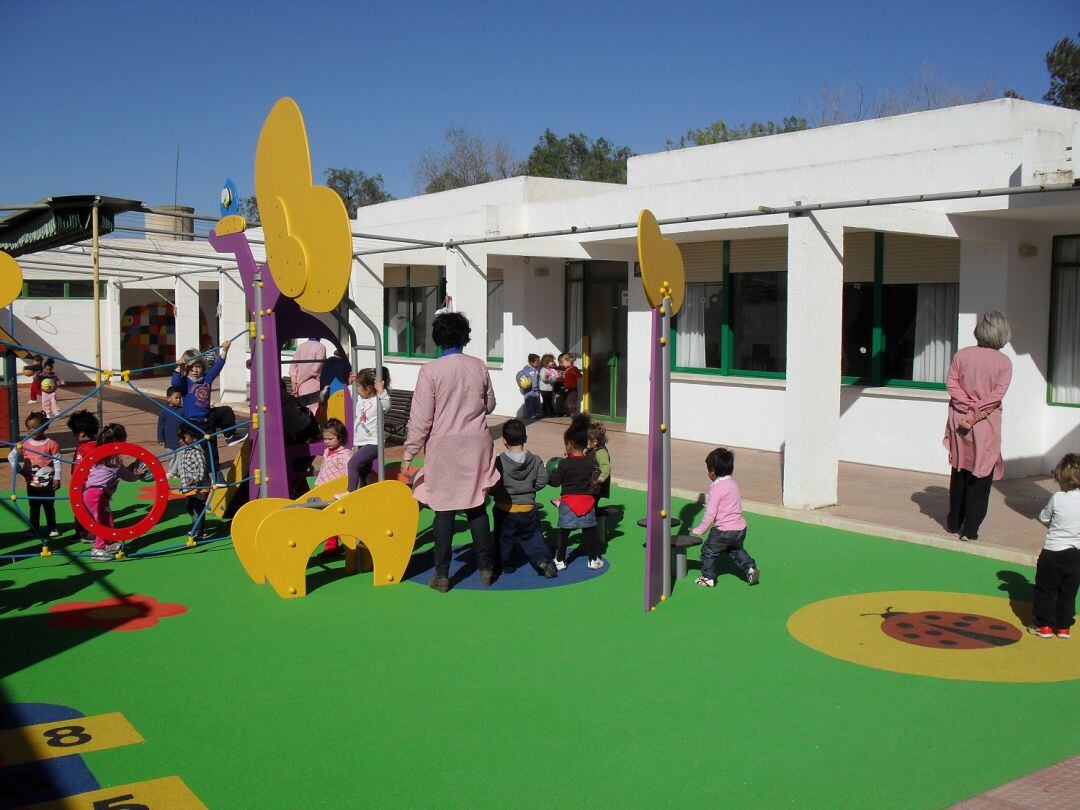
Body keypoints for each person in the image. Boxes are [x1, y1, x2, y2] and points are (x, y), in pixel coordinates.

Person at [402, 312, 499, 593]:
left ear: (437, 338)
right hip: (476, 443)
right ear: (464, 336)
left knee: (443, 511)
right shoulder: (479, 366)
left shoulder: (430, 371)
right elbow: (490, 404)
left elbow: (421, 419)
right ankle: (486, 569)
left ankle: (442, 575)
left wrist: (409, 454)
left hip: (444, 446)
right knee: (477, 506)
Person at [943, 311, 1013, 541]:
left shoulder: (962, 355)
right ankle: (970, 529)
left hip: (960, 420)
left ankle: (954, 522)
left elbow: (952, 383)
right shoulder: (1004, 362)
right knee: (981, 474)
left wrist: (966, 406)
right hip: (985, 423)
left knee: (960, 469)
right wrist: (975, 412)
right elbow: (996, 396)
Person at [490, 419, 557, 578]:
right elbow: (543, 479)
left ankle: (505, 565)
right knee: (534, 537)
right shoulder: (535, 459)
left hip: (505, 509)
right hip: (528, 507)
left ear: (504, 441)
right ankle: (543, 561)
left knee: (503, 539)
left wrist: (498, 493)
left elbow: (493, 483)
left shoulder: (499, 462)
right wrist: (530, 489)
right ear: (525, 438)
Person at [691, 447, 760, 587]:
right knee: (735, 549)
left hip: (723, 531)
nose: (708, 472)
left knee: (708, 552)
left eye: (708, 469)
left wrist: (699, 529)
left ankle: (708, 577)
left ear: (713, 472)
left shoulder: (716, 488)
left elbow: (710, 513)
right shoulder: (733, 484)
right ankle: (750, 568)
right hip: (740, 529)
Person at [1031, 454, 1080, 639]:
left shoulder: (1058, 498)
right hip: (1076, 554)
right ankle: (1064, 627)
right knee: (1068, 591)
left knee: (1046, 589)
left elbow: (1044, 517)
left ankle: (1044, 625)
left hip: (1053, 553)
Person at [172, 340, 236, 477]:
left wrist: (225, 350)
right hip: (191, 423)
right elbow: (175, 384)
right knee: (195, 450)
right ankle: (195, 473)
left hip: (207, 420)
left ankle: (230, 436)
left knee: (212, 445)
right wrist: (179, 368)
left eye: (198, 366)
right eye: (191, 367)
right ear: (186, 369)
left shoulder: (207, 379)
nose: (194, 370)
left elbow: (218, 366)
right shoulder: (185, 382)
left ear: (203, 367)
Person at [549, 415, 603, 570]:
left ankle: (560, 560)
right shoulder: (591, 461)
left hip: (568, 502)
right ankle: (593, 559)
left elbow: (556, 482)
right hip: (587, 502)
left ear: (570, 445)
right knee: (589, 531)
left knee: (564, 533)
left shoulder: (565, 464)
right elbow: (595, 480)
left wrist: (548, 477)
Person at [84, 423, 141, 560]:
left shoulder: (103, 456)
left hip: (94, 493)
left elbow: (119, 471)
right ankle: (98, 549)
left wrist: (132, 467)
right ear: (116, 442)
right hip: (97, 495)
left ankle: (108, 542)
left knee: (107, 519)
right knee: (102, 522)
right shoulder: (113, 460)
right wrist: (137, 474)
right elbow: (127, 476)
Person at [9, 411, 61, 539]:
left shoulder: (51, 444)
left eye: (35, 427)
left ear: (45, 426)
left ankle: (52, 527)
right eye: (28, 428)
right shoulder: (25, 444)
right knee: (34, 507)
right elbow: (11, 457)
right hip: (32, 483)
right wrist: (19, 470)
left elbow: (57, 461)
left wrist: (57, 478)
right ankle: (34, 528)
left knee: (49, 506)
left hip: (48, 482)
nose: (31, 430)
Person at [346, 368, 391, 493]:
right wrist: (351, 383)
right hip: (362, 441)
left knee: (352, 464)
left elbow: (387, 405)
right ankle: (365, 492)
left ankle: (350, 492)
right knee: (363, 472)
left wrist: (381, 390)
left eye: (359, 387)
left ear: (368, 389)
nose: (357, 389)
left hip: (374, 442)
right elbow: (351, 393)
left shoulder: (377, 400)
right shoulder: (360, 400)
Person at [315, 418, 352, 556]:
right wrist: (317, 485)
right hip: (325, 489)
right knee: (327, 520)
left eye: (330, 438)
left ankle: (344, 546)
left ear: (340, 438)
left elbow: (350, 473)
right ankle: (331, 546)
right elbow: (324, 470)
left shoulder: (345, 454)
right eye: (324, 438)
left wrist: (348, 489)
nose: (326, 441)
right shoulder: (326, 452)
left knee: (339, 520)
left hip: (338, 493)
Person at [67, 409, 100, 543]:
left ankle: (92, 533)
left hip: (89, 485)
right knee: (78, 508)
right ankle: (80, 530)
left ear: (81, 433)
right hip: (79, 484)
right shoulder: (83, 445)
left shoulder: (92, 448)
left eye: (74, 432)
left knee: (90, 509)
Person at [176, 424, 211, 542]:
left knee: (197, 510)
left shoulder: (196, 451)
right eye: (179, 438)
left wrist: (195, 479)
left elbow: (202, 467)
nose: (181, 441)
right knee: (190, 508)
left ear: (194, 437)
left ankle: (197, 533)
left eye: (183, 438)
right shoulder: (186, 450)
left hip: (200, 487)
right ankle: (200, 528)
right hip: (191, 488)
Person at [291, 338, 327, 416]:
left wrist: (294, 383)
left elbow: (293, 366)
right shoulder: (320, 347)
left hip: (299, 389)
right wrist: (299, 382)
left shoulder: (300, 346)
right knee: (313, 416)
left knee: (301, 415)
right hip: (313, 386)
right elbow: (314, 370)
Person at [157, 386, 185, 478]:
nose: (178, 400)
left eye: (180, 398)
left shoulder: (182, 410)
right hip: (169, 440)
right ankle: (173, 471)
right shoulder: (164, 412)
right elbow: (160, 426)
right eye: (176, 398)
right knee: (171, 457)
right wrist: (160, 439)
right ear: (169, 398)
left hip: (181, 440)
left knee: (181, 457)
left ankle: (179, 472)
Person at [516, 354, 542, 420]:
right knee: (529, 402)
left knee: (537, 402)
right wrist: (519, 380)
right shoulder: (526, 369)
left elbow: (538, 378)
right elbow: (519, 374)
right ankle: (530, 414)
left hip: (536, 389)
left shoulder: (536, 369)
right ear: (531, 362)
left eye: (539, 362)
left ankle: (537, 413)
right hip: (529, 389)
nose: (538, 363)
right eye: (537, 362)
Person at [538, 353, 560, 418]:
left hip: (549, 389)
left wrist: (556, 377)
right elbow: (543, 379)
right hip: (544, 389)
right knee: (547, 402)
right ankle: (548, 413)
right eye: (551, 361)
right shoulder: (543, 370)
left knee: (548, 401)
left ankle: (547, 413)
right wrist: (552, 379)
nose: (553, 363)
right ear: (546, 362)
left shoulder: (550, 370)